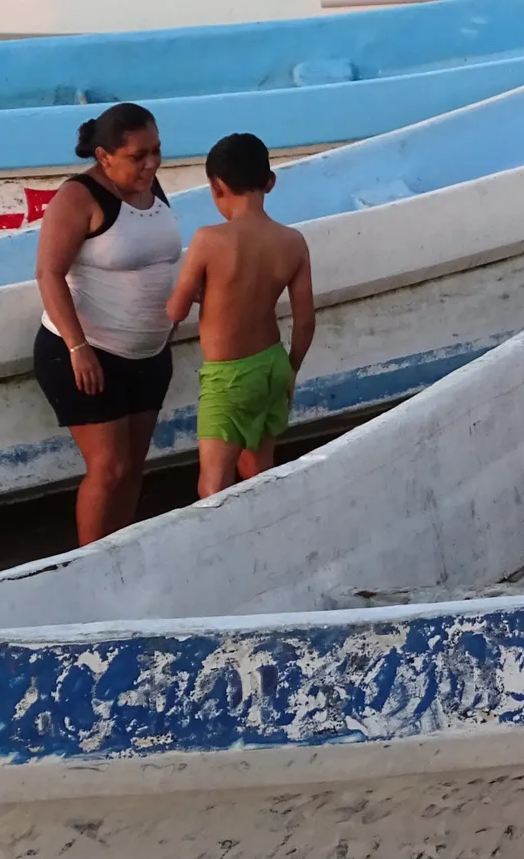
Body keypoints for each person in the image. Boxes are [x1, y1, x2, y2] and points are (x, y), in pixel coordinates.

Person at [34, 102, 181, 544]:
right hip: (87, 354)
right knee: (109, 467)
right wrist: (79, 349)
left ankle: (121, 556)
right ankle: (90, 565)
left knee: (134, 468)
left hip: (149, 355)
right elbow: (49, 274)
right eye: (138, 156)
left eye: (156, 151)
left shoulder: (152, 186)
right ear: (104, 157)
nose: (151, 163)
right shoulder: (78, 196)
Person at [165, 131, 315, 500]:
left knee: (213, 486)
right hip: (272, 364)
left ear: (216, 187)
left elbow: (176, 310)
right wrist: (292, 367)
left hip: (227, 377)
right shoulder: (292, 242)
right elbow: (306, 319)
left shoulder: (208, 240)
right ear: (270, 182)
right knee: (258, 470)